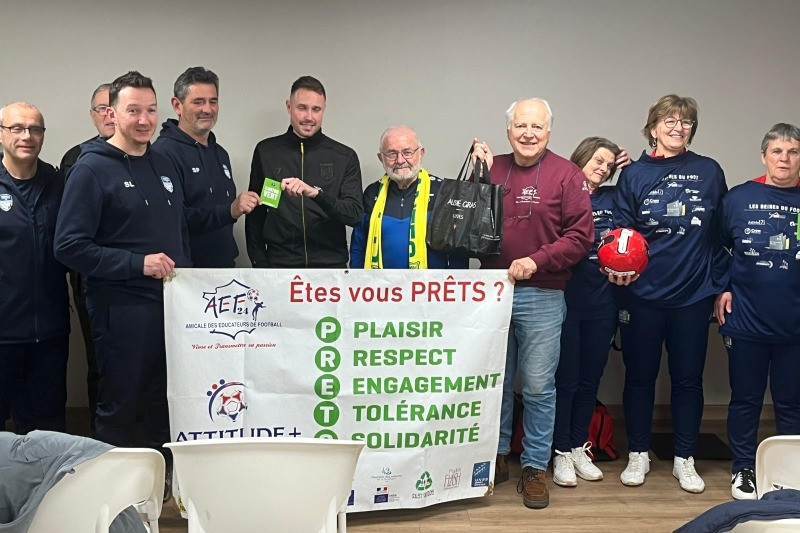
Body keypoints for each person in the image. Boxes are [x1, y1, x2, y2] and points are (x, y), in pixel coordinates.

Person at [54, 71, 191, 457]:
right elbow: (68, 247)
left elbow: (178, 232)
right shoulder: (90, 168)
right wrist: (137, 264)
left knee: (162, 400)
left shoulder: (163, 163)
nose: (145, 119)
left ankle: (158, 488)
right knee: (119, 405)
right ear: (112, 114)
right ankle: (111, 499)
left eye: (150, 110)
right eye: (134, 110)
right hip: (121, 309)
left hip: (169, 306)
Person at [471, 98, 594, 509]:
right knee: (497, 382)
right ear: (508, 131)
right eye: (520, 126)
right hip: (492, 293)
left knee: (539, 387)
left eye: (536, 127)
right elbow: (464, 220)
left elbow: (580, 238)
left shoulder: (567, 174)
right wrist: (475, 171)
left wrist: (536, 260)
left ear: (549, 132)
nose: (528, 133)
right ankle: (498, 456)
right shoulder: (492, 168)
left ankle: (534, 466)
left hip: (543, 293)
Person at [613, 94, 728, 493]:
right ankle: (639, 454)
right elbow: (621, 236)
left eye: (685, 122)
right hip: (641, 296)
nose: (678, 128)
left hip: (693, 296)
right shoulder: (634, 175)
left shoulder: (709, 171)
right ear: (653, 127)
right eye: (669, 121)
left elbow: (720, 235)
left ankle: (684, 458)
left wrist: (720, 285)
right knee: (640, 378)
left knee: (687, 380)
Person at [715, 123, 800, 500]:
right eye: (778, 152)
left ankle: (789, 472)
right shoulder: (737, 199)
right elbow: (716, 249)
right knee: (745, 399)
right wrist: (722, 287)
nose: (785, 159)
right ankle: (743, 469)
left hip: (794, 325)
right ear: (764, 155)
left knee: (791, 402)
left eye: (793, 152)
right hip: (747, 319)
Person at [552, 137, 629, 487]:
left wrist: (634, 167)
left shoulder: (614, 198)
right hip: (567, 299)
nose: (602, 167)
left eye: (609, 165)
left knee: (589, 379)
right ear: (580, 158)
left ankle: (579, 446)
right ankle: (561, 451)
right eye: (597, 160)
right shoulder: (562, 194)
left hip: (603, 301)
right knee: (565, 380)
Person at [0, 102, 70, 434]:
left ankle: (48, 488)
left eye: (35, 129)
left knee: (48, 425)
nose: (27, 136)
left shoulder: (59, 183)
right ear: (1, 134)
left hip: (51, 331)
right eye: (16, 128)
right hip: (3, 332)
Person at [245, 75, 363, 268]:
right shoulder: (267, 152)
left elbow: (354, 215)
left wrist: (316, 194)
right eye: (302, 108)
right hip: (280, 266)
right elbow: (257, 212)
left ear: (324, 110)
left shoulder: (344, 156)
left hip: (329, 268)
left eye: (316, 109)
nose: (309, 117)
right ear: (289, 107)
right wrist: (260, 265)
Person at [152, 66, 259, 267]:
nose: (207, 109)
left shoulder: (220, 154)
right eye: (198, 102)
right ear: (177, 105)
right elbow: (174, 219)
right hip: (186, 274)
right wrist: (230, 211)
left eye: (213, 101)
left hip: (224, 267)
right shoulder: (162, 154)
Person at [58, 83, 114, 431]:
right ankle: (98, 443)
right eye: (102, 109)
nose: (109, 114)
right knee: (100, 363)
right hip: (91, 279)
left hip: (140, 278)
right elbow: (70, 233)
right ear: (93, 115)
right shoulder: (77, 158)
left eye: (114, 107)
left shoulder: (146, 155)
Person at [350, 126, 468, 269]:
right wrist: (356, 283)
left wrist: (454, 287)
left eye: (407, 152)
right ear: (381, 158)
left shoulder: (443, 192)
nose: (400, 160)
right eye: (391, 153)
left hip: (431, 288)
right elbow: (358, 246)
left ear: (421, 153)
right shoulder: (372, 193)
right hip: (381, 288)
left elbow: (458, 251)